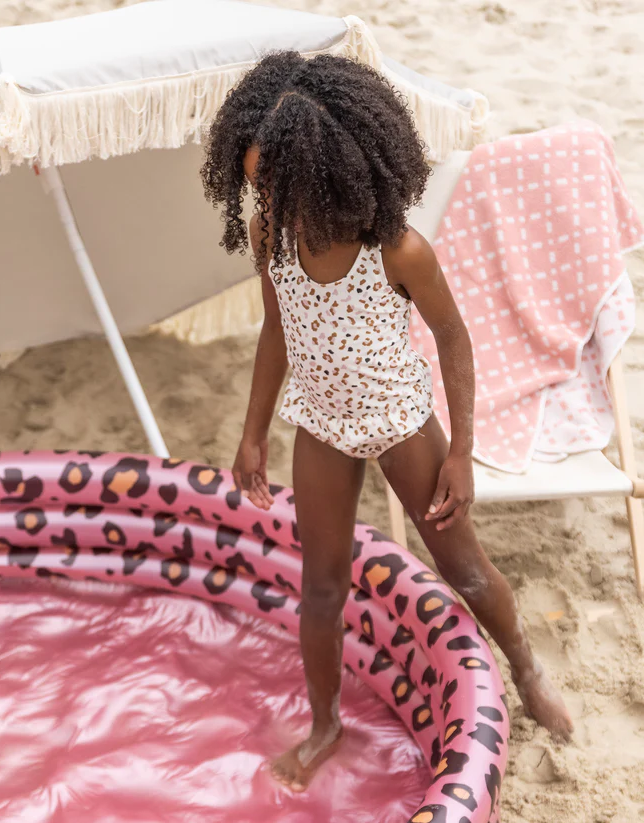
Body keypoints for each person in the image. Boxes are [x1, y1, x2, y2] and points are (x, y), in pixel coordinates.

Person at [200, 52, 573, 793]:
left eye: (274, 181)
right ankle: (325, 724)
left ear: (326, 167)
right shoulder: (270, 234)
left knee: (463, 567)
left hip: (401, 422)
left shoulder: (396, 249)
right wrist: (252, 431)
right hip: (320, 427)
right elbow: (277, 329)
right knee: (321, 586)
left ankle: (525, 665)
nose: (263, 197)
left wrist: (460, 452)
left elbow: (454, 339)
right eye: (251, 182)